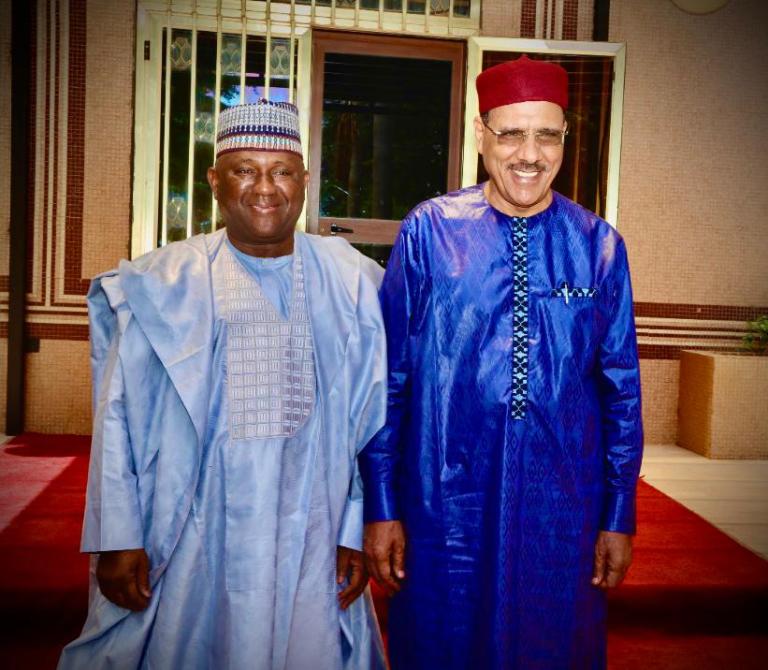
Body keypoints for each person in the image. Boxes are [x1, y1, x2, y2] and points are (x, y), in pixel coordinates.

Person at [59, 100, 388, 670]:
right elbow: (116, 419)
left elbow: (371, 422)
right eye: (245, 170)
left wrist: (354, 529)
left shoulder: (353, 281)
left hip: (310, 529)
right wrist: (117, 536)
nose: (265, 188)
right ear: (215, 182)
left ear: (305, 180)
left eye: (282, 171)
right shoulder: (161, 283)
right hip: (190, 532)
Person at [359, 55, 643, 669]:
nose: (530, 155)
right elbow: (388, 378)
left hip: (562, 510)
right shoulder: (430, 232)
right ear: (480, 134)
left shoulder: (598, 247)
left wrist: (618, 513)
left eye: (547, 135)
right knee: (442, 642)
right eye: (511, 133)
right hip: (442, 503)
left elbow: (621, 392)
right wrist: (382, 503)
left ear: (565, 138)